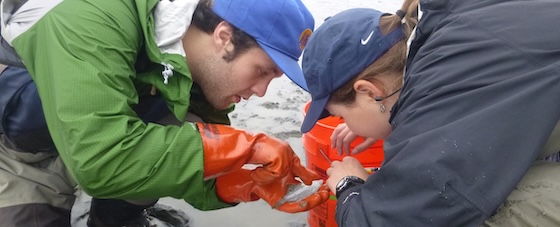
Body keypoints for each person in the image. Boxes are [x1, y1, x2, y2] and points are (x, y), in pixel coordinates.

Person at [0, 0, 330, 226]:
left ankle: (115, 220)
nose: (261, 91)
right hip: (23, 150)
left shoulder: (200, 64)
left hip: (97, 136)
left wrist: (243, 183)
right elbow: (100, 161)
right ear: (224, 37)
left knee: (192, 130)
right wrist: (249, 146)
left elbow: (199, 158)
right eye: (262, 71)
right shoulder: (92, 15)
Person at [300, 0, 560, 226]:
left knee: (467, 210)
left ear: (369, 91)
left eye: (343, 116)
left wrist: (349, 187)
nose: (349, 126)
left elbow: (393, 219)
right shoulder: (444, 36)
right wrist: (398, 120)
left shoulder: (440, 84)